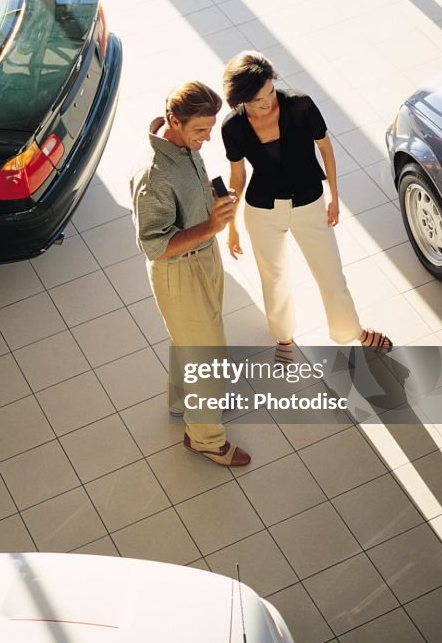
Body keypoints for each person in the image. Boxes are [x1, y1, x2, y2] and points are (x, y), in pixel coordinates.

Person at [221, 51, 392, 361]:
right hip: (262, 210)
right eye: (258, 99)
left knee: (330, 274)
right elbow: (237, 177)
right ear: (241, 99)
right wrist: (231, 226)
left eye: (271, 91)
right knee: (273, 278)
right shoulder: (232, 127)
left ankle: (351, 331)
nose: (268, 102)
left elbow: (325, 148)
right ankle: (283, 337)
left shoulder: (301, 105)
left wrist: (335, 198)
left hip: (309, 201)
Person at [130, 81, 251, 468]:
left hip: (204, 257)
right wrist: (210, 228)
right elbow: (155, 246)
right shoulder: (153, 176)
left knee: (195, 341)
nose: (208, 138)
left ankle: (186, 402)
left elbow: (194, 188)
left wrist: (215, 202)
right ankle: (206, 439)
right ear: (173, 121)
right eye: (200, 130)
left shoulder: (184, 147)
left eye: (210, 128)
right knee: (208, 353)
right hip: (178, 269)